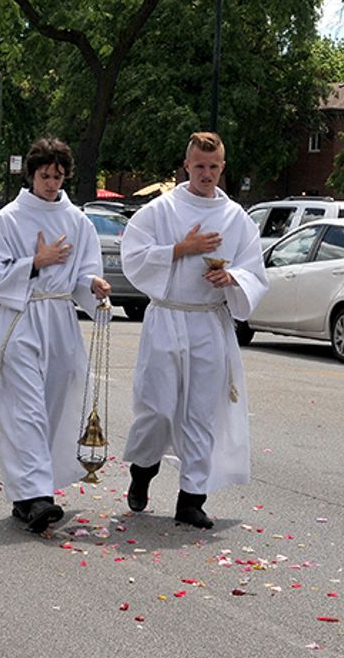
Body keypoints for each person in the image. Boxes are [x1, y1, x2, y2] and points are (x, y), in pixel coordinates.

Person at [120, 132, 268, 529]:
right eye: (199, 166)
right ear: (187, 166)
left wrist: (232, 278)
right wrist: (178, 250)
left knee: (202, 412)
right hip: (167, 318)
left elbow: (255, 270)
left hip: (207, 320)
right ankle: (143, 470)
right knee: (156, 407)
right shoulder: (160, 210)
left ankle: (191, 498)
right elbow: (131, 255)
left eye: (214, 166)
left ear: (223, 167)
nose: (207, 174)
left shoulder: (236, 217)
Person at [0, 138, 111, 533]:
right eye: (44, 175)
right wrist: (34, 263)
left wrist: (93, 285)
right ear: (31, 175)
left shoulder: (78, 221)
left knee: (55, 402)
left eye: (58, 176)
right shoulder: (10, 219)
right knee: (26, 409)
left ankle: (31, 490)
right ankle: (36, 497)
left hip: (60, 320)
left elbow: (85, 271)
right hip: (22, 318)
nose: (51, 183)